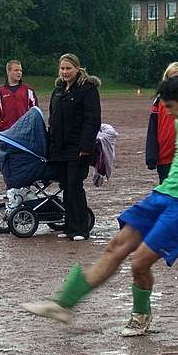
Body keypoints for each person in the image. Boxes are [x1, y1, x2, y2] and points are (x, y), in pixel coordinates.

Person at [21, 77, 178, 336]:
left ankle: (141, 315)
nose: (167, 113)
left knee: (139, 263)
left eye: (169, 107)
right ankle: (63, 305)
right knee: (115, 247)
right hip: (163, 194)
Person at [48, 53, 101, 241]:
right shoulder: (59, 90)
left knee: (75, 185)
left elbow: (92, 120)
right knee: (65, 186)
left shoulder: (87, 89)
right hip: (59, 148)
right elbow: (52, 118)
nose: (64, 72)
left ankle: (80, 229)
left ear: (77, 69)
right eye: (62, 68)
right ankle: (69, 226)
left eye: (68, 68)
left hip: (78, 147)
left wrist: (85, 147)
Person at [0, 60, 39, 207]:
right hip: (8, 137)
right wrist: (2, 128)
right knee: (7, 164)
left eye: (20, 70)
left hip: (25, 137)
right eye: (16, 70)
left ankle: (26, 190)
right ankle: (11, 190)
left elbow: (35, 111)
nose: (19, 73)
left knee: (26, 163)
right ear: (8, 72)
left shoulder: (28, 90)